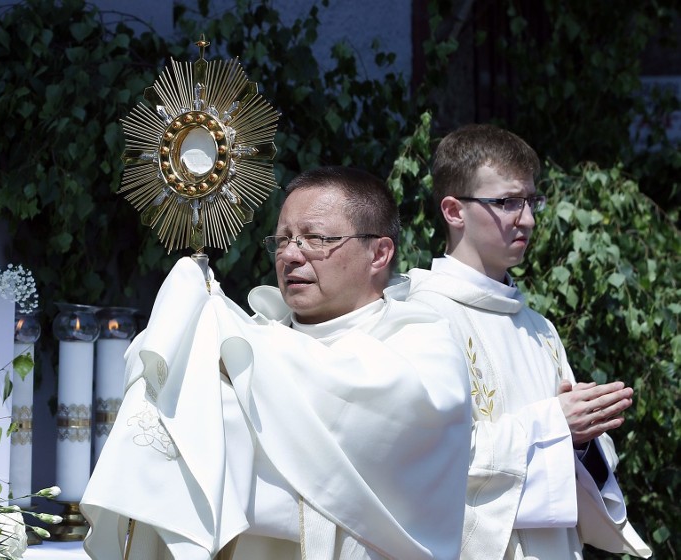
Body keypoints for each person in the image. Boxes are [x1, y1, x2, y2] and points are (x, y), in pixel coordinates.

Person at [80, 167, 472, 559]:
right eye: (282, 239)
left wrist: (225, 340)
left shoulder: (424, 346)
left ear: (379, 253)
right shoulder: (245, 342)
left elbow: (367, 403)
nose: (290, 255)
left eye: (315, 238)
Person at [405, 124, 652, 559]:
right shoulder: (420, 316)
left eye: (532, 201)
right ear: (453, 210)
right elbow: (424, 460)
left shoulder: (539, 328)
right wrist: (555, 424)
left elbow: (581, 474)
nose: (529, 219)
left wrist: (580, 438)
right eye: (507, 203)